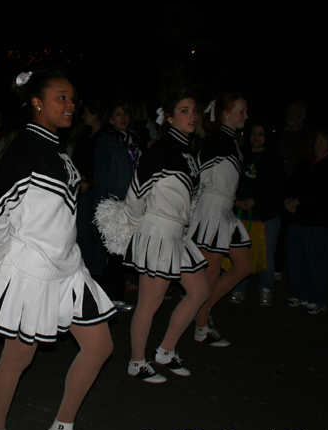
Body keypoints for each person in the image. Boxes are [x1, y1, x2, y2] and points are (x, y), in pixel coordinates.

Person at [0, 69, 115, 430]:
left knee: (99, 344)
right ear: (37, 102)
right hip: (33, 271)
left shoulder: (54, 148)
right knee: (18, 356)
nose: (71, 105)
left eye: (72, 98)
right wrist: (15, 252)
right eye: (61, 98)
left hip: (69, 267)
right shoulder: (24, 150)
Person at [124, 92, 209, 383]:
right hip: (158, 231)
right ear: (169, 117)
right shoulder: (161, 148)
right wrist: (136, 230)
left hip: (178, 234)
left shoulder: (188, 149)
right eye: (184, 111)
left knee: (199, 291)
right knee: (150, 301)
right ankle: (137, 361)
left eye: (194, 110)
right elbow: (135, 194)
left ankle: (165, 351)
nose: (191, 115)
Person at [187, 92, 252, 347]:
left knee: (243, 266)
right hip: (211, 211)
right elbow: (196, 176)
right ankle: (202, 327)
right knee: (210, 273)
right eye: (241, 111)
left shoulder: (230, 140)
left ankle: (198, 310)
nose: (245, 116)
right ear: (226, 113)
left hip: (226, 211)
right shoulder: (216, 141)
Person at [283, 128, 328, 314]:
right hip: (299, 219)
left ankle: (317, 298)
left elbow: (327, 193)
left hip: (320, 222)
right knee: (296, 258)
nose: (317, 145)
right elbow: (292, 184)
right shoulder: (305, 163)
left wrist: (300, 201)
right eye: (316, 141)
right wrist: (288, 200)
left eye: (321, 141)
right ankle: (299, 293)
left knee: (317, 260)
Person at [229, 121, 285, 306]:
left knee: (266, 254)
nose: (257, 137)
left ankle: (266, 289)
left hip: (265, 214)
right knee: (240, 252)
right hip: (240, 211)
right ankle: (238, 288)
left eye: (261, 134)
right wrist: (236, 200)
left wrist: (255, 200)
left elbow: (275, 186)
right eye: (254, 133)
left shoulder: (273, 157)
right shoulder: (240, 154)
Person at [96, 101, 142, 311]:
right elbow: (101, 175)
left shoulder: (135, 140)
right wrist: (106, 205)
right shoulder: (106, 141)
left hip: (136, 201)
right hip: (115, 202)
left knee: (124, 253)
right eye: (118, 114)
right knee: (117, 253)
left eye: (125, 114)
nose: (123, 118)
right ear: (111, 119)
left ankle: (110, 295)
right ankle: (108, 297)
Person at [72, 100, 107, 277]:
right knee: (82, 232)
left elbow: (105, 166)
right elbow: (76, 158)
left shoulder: (105, 135)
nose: (83, 116)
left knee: (97, 233)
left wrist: (90, 182)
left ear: (95, 114)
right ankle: (85, 272)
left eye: (86, 112)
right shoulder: (85, 133)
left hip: (97, 190)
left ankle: (96, 273)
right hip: (82, 188)